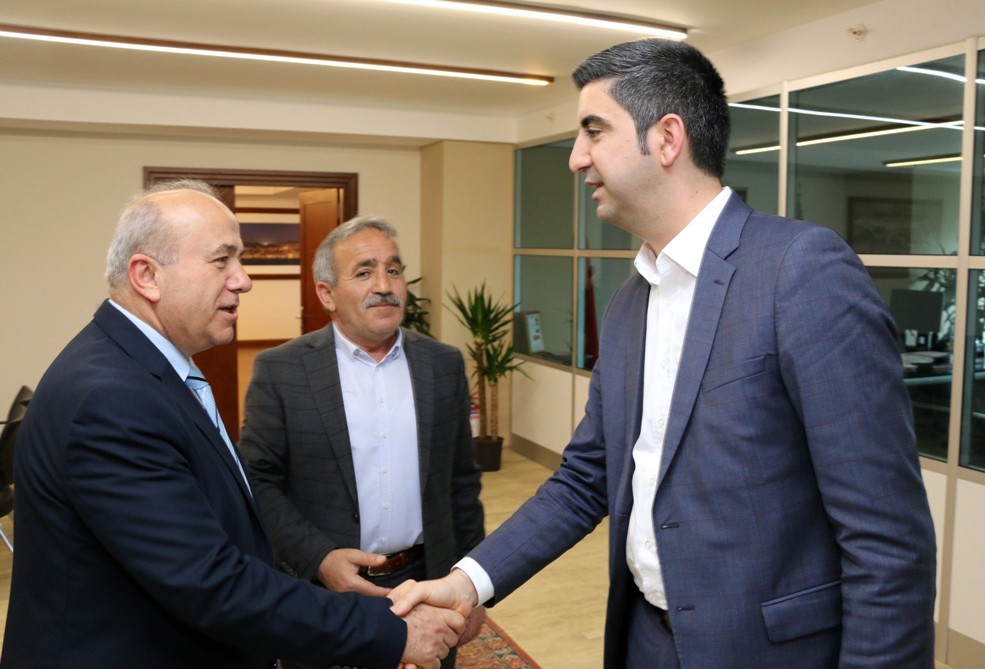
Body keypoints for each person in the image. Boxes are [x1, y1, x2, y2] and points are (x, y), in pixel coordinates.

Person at [391, 39, 938, 669]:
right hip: (645, 640)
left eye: (594, 130)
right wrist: (468, 582)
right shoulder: (631, 300)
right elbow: (586, 477)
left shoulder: (800, 271)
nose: (576, 157)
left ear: (667, 138)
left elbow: (886, 538)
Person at [2, 180, 463, 669]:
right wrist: (391, 632)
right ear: (147, 276)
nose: (243, 280)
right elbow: (210, 582)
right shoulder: (111, 398)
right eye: (222, 260)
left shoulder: (142, 369)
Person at [239, 215, 486, 669]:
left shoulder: (442, 364)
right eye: (364, 272)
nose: (384, 286)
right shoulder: (282, 371)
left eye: (393, 270)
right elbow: (258, 482)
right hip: (327, 593)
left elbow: (461, 484)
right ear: (326, 294)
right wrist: (320, 559)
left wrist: (474, 584)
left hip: (427, 582)